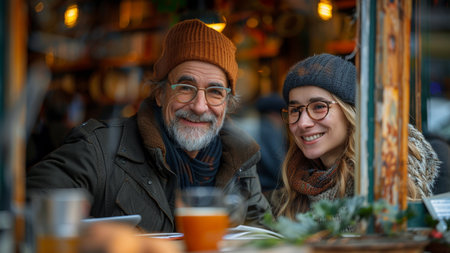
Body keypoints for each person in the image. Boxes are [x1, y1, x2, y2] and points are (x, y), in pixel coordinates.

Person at [27, 19, 271, 232]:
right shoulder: (99, 148)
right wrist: (93, 239)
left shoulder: (240, 160)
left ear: (227, 103)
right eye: (185, 87)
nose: (199, 106)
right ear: (160, 94)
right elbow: (30, 206)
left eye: (215, 92)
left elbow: (264, 235)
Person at [272, 53, 440, 219]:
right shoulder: (294, 185)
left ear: (351, 112)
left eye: (319, 107)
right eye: (295, 110)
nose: (303, 123)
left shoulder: (385, 175)